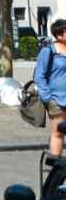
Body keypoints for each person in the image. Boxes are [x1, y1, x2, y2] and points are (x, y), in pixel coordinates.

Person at [32, 19, 66, 159]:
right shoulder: (49, 51)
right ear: (59, 34)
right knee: (58, 133)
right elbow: (39, 76)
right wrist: (48, 99)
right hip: (57, 100)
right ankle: (56, 167)